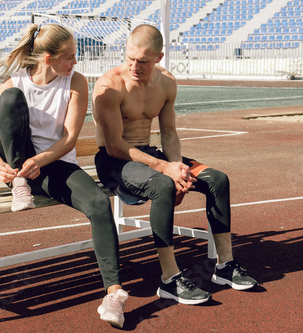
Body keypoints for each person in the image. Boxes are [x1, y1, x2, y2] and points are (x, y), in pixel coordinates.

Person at [92, 24, 258, 305]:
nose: (134, 66)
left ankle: (225, 265)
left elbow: (168, 132)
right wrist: (165, 169)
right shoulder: (109, 86)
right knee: (162, 183)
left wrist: (177, 166)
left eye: (143, 61)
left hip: (151, 155)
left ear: (159, 57)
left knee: (218, 180)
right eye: (130, 58)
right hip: (115, 161)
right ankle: (170, 279)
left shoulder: (166, 82)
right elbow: (115, 146)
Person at [0, 23, 127, 328]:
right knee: (11, 100)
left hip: (54, 163)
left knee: (100, 205)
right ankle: (18, 182)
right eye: (70, 57)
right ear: (48, 58)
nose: (75, 62)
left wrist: (39, 161)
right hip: (20, 166)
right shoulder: (12, 83)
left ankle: (113, 294)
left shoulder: (76, 82)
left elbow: (69, 139)